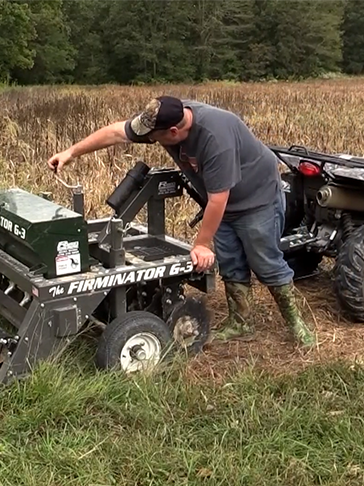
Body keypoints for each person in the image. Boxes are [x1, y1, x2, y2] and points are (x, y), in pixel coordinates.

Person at [47, 96, 315, 347]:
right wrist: (72, 152)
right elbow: (117, 132)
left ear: (173, 133)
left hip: (256, 199)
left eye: (154, 138)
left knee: (265, 261)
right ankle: (242, 324)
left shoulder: (215, 137)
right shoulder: (162, 116)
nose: (149, 140)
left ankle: (298, 327)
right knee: (231, 262)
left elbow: (219, 199)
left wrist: (201, 243)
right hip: (222, 201)